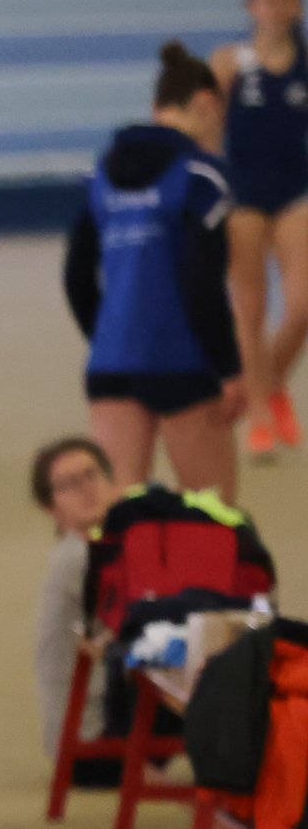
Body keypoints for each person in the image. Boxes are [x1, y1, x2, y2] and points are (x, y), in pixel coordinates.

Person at [66, 42, 243, 497]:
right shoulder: (202, 177)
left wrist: (107, 335)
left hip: (113, 361)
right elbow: (202, 282)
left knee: (117, 515)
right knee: (212, 513)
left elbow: (76, 275)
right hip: (183, 360)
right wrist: (228, 368)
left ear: (155, 107)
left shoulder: (100, 175)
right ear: (206, 104)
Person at [213, 0, 308, 464]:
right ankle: (261, 418)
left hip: (296, 193)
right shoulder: (230, 61)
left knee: (302, 306)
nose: (275, 8)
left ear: (298, 8)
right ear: (251, 7)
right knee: (249, 313)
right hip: (243, 196)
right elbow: (208, 127)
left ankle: (269, 388)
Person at [28, 435, 115, 768]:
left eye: (91, 476)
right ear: (50, 509)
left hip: (79, 737)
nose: (86, 489)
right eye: (68, 485)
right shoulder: (80, 559)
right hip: (89, 742)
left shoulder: (97, 550)